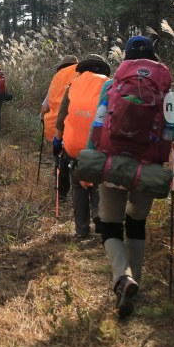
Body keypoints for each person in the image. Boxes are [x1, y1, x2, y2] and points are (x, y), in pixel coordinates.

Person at [87, 36, 174, 319]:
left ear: (125, 58)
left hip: (113, 165)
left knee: (110, 226)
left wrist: (90, 160)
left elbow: (99, 122)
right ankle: (133, 279)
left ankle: (122, 278)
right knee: (137, 224)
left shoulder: (111, 85)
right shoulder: (165, 90)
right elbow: (172, 134)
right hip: (147, 167)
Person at [55, 54, 111, 239]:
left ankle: (81, 229)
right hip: (97, 144)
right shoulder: (109, 85)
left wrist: (57, 140)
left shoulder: (74, 84)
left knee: (78, 185)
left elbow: (63, 114)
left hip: (73, 145)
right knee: (97, 181)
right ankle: (99, 214)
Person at [41, 55, 79, 203]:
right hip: (80, 124)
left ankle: (61, 194)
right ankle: (83, 193)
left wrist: (42, 116)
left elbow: (44, 107)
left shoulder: (57, 79)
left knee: (61, 159)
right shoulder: (83, 77)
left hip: (60, 126)